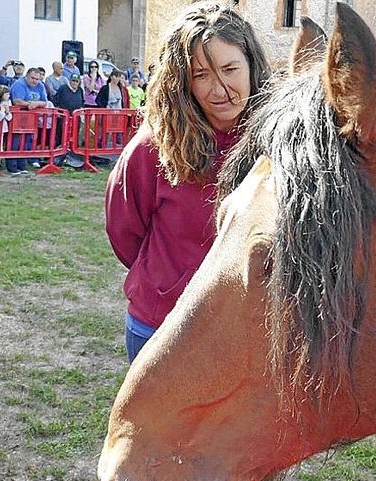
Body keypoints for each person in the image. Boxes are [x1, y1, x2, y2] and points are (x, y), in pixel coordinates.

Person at [105, 1, 271, 363]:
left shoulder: (278, 143)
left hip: (247, 331)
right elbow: (124, 231)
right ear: (182, 82)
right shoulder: (153, 148)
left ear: (251, 67)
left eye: (230, 69)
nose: (220, 88)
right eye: (201, 75)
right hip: (163, 326)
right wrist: (169, 281)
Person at [7, 68, 48, 175]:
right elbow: (16, 101)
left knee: (26, 140)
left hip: (31, 118)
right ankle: (12, 166)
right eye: (32, 78)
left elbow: (44, 102)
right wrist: (29, 104)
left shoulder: (41, 86)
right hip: (17, 116)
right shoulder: (19, 84)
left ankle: (22, 165)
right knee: (15, 141)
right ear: (27, 76)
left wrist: (36, 104)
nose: (34, 81)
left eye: (37, 79)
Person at [53, 74, 85, 166]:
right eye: (73, 81)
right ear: (70, 81)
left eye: (76, 81)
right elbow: (55, 100)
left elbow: (82, 102)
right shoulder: (63, 88)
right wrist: (58, 111)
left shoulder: (80, 90)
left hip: (76, 118)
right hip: (63, 118)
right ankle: (57, 156)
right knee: (61, 136)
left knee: (74, 137)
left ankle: (72, 156)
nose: (74, 83)